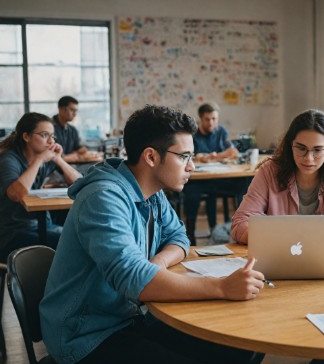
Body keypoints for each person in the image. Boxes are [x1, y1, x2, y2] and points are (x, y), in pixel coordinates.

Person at [40, 105, 265, 364]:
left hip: (127, 318)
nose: (191, 166)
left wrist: (156, 264)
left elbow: (179, 237)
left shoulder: (151, 191)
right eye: (184, 156)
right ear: (150, 157)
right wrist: (221, 287)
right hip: (86, 336)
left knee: (239, 346)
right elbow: (133, 279)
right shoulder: (103, 197)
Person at [231, 109, 324, 244]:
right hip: (280, 260)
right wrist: (299, 235)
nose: (308, 159)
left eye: (317, 150)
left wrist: (309, 234)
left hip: (322, 261)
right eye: (301, 148)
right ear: (290, 144)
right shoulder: (269, 171)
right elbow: (239, 225)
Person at [0, 112, 81, 262]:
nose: (50, 141)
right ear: (26, 137)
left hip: (42, 226)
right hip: (13, 233)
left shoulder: (45, 157)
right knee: (77, 243)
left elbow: (80, 184)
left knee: (83, 236)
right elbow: (16, 194)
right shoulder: (10, 159)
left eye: (52, 136)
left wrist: (58, 160)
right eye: (44, 135)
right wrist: (38, 161)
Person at [183, 102, 248, 244]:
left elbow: (233, 152)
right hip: (199, 180)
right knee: (191, 192)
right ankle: (190, 234)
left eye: (214, 119)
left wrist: (213, 156)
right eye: (207, 119)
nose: (211, 122)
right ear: (200, 118)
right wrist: (199, 157)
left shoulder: (221, 131)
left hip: (219, 178)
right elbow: (188, 155)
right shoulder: (193, 134)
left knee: (244, 184)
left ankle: (241, 227)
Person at [52, 95, 100, 163]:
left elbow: (77, 147)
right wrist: (73, 155)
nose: (75, 114)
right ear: (61, 109)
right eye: (72, 110)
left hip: (71, 163)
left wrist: (81, 149)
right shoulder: (49, 129)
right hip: (56, 167)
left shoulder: (72, 130)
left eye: (76, 111)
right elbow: (53, 156)